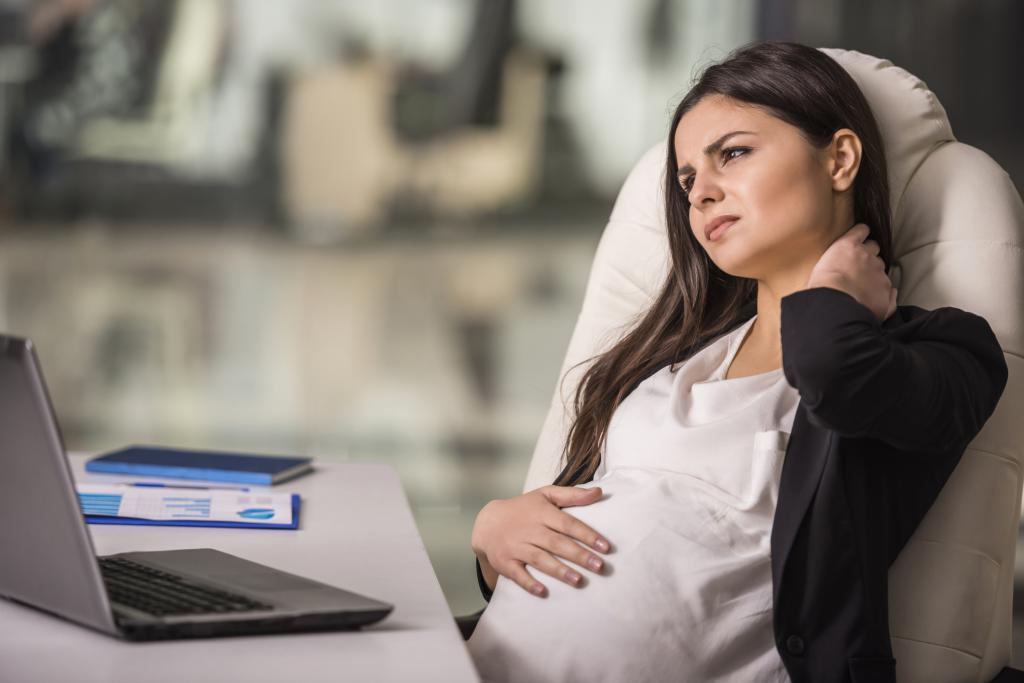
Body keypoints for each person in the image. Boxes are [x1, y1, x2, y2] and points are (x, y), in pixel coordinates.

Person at [464, 40, 1008, 683]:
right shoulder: (669, 358)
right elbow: (587, 523)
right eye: (688, 178)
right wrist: (493, 540)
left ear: (840, 158)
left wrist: (830, 295)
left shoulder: (944, 353)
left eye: (734, 154)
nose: (700, 194)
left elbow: (835, 374)